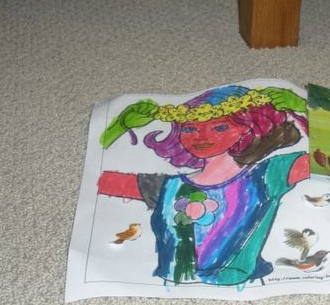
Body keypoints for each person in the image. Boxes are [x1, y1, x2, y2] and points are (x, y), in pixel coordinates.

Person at [96, 85, 310, 287]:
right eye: (190, 128)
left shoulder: (268, 175)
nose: (201, 136)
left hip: (241, 286)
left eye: (220, 127)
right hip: (171, 288)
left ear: (247, 130)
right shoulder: (168, 187)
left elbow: (327, 161)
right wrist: (119, 126)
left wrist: (305, 109)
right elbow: (98, 179)